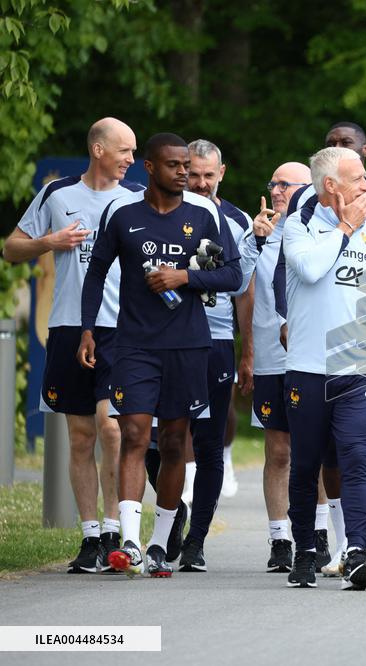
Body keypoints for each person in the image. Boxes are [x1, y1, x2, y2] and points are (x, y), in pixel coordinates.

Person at [78, 133, 242, 577]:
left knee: (173, 443)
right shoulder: (122, 212)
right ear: (149, 167)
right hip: (133, 345)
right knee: (132, 434)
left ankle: (157, 545)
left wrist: (184, 277)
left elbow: (232, 274)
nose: (184, 173)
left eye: (186, 165)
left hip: (188, 345)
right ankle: (129, 543)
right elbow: (95, 273)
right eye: (174, 165)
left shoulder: (204, 213)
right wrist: (89, 329)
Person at [3, 118, 141, 573]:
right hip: (67, 327)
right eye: (124, 151)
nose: (131, 160)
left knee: (112, 428)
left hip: (119, 330)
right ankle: (90, 539)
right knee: (80, 436)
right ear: (98, 149)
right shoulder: (57, 194)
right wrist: (49, 241)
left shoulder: (135, 199)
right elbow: (11, 248)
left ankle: (116, 527)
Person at [276, 121, 366, 575]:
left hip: (360, 369)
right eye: (357, 180)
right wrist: (345, 229)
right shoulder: (299, 226)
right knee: (306, 465)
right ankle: (304, 551)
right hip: (309, 369)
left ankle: (357, 551)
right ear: (331, 186)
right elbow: (311, 271)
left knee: (355, 459)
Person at [243, 162, 310, 572]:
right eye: (274, 183)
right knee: (279, 450)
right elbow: (235, 286)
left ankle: (316, 534)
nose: (278, 189)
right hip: (272, 356)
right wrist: (255, 241)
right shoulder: (258, 231)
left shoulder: (318, 228)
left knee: (315, 448)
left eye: (286, 184)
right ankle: (279, 538)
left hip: (314, 356)